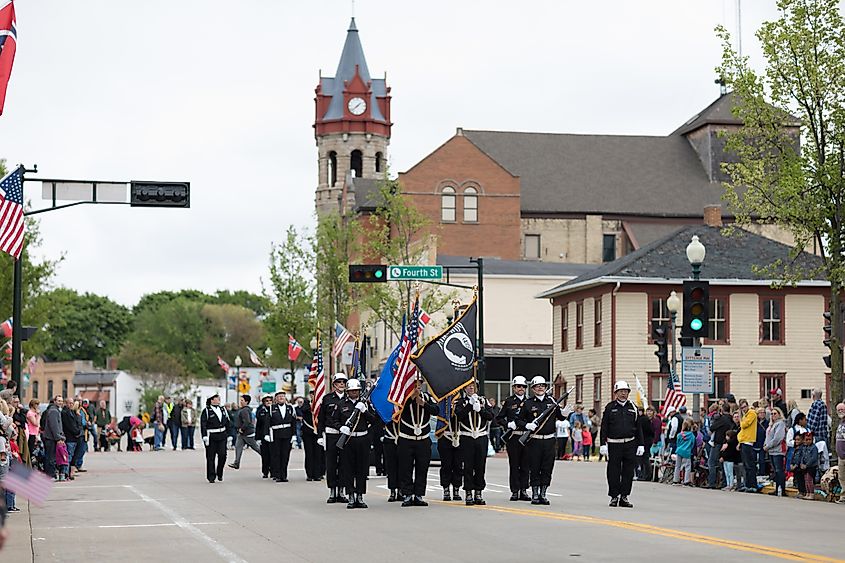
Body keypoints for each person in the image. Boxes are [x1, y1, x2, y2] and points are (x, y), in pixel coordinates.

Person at [519, 376, 571, 505]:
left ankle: (543, 493)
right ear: (533, 389)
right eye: (537, 386)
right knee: (535, 467)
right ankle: (535, 493)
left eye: (542, 385)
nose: (540, 388)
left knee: (547, 467)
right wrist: (527, 426)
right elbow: (519, 420)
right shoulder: (528, 403)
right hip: (535, 440)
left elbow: (560, 417)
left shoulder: (552, 401)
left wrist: (565, 413)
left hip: (549, 440)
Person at [599, 380, 643, 508]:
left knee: (628, 471)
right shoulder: (610, 407)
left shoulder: (633, 407)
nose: (624, 394)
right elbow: (604, 427)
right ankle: (614, 496)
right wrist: (603, 443)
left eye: (626, 391)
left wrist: (641, 444)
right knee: (613, 471)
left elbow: (638, 427)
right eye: (621, 391)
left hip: (629, 443)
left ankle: (624, 496)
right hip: (614, 444)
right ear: (615, 393)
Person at [334, 379, 375, 509]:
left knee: (362, 469)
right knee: (348, 469)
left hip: (362, 439)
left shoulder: (365, 404)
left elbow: (374, 420)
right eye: (351, 391)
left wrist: (365, 411)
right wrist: (341, 428)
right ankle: (351, 495)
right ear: (347, 391)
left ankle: (360, 496)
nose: (354, 393)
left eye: (356, 391)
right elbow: (333, 420)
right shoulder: (341, 404)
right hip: (348, 440)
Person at [397, 380, 438, 507]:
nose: (417, 387)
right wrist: (411, 399)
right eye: (414, 384)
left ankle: (419, 494)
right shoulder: (401, 398)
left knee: (422, 468)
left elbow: (436, 411)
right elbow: (397, 412)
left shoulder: (427, 397)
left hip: (423, 439)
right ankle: (407, 494)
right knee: (406, 468)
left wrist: (424, 404)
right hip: (406, 438)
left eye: (419, 385)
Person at [454, 380, 493, 506]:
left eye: (473, 386)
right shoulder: (460, 402)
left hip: (481, 437)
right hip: (467, 437)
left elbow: (491, 416)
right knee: (468, 467)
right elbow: (459, 416)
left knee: (480, 466)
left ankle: (478, 492)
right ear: (464, 388)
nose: (471, 388)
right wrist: (470, 406)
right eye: (468, 386)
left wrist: (480, 409)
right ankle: (469, 493)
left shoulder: (484, 401)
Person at [497, 375, 531, 501]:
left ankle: (524, 490)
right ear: (514, 388)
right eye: (518, 386)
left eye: (523, 386)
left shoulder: (530, 401)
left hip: (527, 437)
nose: (521, 388)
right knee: (514, 464)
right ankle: (515, 490)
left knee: (526, 465)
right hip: (513, 437)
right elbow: (499, 418)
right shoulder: (509, 402)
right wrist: (507, 424)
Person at [318, 373, 348, 504]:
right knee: (331, 464)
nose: (342, 384)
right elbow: (321, 419)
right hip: (331, 434)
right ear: (334, 384)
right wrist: (320, 435)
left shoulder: (349, 398)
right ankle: (332, 491)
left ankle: (341, 490)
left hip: (345, 435)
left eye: (343, 382)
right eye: (339, 382)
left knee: (344, 463)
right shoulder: (327, 399)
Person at [200, 394, 231, 483]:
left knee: (223, 455)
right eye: (217, 398)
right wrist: (204, 436)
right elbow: (203, 424)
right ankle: (211, 476)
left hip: (222, 435)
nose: (219, 400)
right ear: (211, 400)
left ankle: (219, 472)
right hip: (211, 436)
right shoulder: (206, 411)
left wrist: (229, 435)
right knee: (211, 457)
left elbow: (228, 423)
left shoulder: (223, 409)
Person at [265, 391, 295, 483]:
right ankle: (277, 475)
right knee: (276, 455)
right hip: (276, 434)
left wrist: (294, 435)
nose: (281, 398)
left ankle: (284, 475)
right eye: (279, 396)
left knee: (285, 455)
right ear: (276, 399)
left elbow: (293, 422)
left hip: (287, 433)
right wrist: (266, 434)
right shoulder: (271, 408)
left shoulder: (290, 408)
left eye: (283, 396)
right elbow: (267, 422)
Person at [438, 395, 463, 501]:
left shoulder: (463, 401)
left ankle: (456, 489)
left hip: (459, 435)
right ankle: (446, 489)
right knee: (446, 465)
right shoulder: (443, 400)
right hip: (445, 435)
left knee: (458, 465)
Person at [229, 395, 261, 470]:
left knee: (256, 447)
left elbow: (247, 421)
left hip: (247, 433)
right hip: (241, 434)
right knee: (238, 447)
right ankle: (236, 463)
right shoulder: (242, 409)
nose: (240, 402)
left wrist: (242, 428)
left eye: (242, 400)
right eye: (240, 400)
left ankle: (267, 458)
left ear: (246, 402)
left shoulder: (245, 410)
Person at [707, 403, 732, 489]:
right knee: (723, 464)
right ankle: (725, 482)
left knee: (712, 463)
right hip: (727, 443)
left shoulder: (722, 419)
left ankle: (712, 483)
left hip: (718, 443)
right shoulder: (731, 419)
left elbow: (712, 427)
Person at [764, 407, 787, 497]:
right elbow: (768, 436)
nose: (773, 415)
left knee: (779, 470)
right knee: (775, 471)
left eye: (775, 413)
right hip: (771, 451)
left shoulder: (780, 424)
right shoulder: (771, 425)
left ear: (779, 414)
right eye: (772, 414)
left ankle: (782, 488)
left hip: (778, 450)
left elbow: (778, 438)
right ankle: (777, 488)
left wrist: (768, 445)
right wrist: (765, 444)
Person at [737, 398, 759, 493]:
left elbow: (744, 425)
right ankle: (748, 484)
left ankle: (753, 485)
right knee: (746, 465)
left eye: (745, 406)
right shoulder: (745, 415)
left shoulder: (751, 413)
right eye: (742, 408)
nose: (744, 409)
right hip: (744, 441)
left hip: (748, 441)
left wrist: (741, 419)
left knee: (750, 465)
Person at [299, 394, 322, 481]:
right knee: (309, 454)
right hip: (308, 432)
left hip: (318, 432)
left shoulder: (320, 403)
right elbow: (303, 410)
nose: (313, 395)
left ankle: (317, 474)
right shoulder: (306, 404)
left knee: (318, 454)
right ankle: (309, 474)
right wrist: (312, 404)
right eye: (312, 394)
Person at [41, 396, 65, 479]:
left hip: (51, 437)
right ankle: (50, 474)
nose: (60, 402)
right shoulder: (54, 411)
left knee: (51, 457)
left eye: (61, 401)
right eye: (58, 401)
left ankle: (50, 474)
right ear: (54, 401)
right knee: (51, 457)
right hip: (51, 438)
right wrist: (58, 438)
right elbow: (54, 426)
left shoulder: (55, 410)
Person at [381, 418, 400, 502]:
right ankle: (392, 491)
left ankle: (401, 490)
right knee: (391, 467)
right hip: (389, 439)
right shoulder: (387, 408)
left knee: (403, 466)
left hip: (402, 438)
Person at [254, 394, 272, 478]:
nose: (268, 402)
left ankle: (273, 471)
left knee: (273, 454)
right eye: (267, 401)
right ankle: (265, 471)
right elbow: (258, 425)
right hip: (263, 436)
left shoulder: (274, 410)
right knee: (265, 455)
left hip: (273, 435)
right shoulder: (261, 411)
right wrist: (258, 438)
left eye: (270, 401)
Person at [673, 419, 695, 486]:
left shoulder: (679, 435)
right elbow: (692, 444)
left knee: (677, 466)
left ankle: (675, 480)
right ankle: (686, 481)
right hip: (687, 452)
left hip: (679, 451)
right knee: (687, 466)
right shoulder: (691, 435)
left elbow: (678, 443)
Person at [636, 406, 654, 480]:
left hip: (645, 440)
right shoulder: (641, 419)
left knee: (645, 459)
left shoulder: (643, 419)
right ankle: (643, 474)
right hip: (644, 440)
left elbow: (648, 431)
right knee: (642, 459)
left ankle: (647, 475)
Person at [835, 402, 845, 504]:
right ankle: (843, 497)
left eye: (842, 410)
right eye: (839, 410)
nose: (840, 412)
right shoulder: (840, 423)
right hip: (840, 456)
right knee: (842, 477)